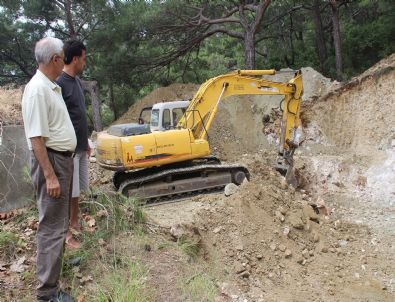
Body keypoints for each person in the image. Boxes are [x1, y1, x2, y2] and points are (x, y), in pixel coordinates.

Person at [22, 37, 76, 302]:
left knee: (58, 225)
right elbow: (36, 138)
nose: (64, 60)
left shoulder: (49, 87)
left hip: (60, 160)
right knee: (52, 227)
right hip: (52, 163)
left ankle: (52, 280)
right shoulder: (37, 90)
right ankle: (46, 294)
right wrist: (50, 175)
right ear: (56, 59)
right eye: (63, 56)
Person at [56, 39, 89, 249]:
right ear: (75, 59)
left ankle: (75, 221)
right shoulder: (59, 84)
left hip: (80, 146)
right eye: (84, 59)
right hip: (67, 150)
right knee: (68, 192)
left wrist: (86, 142)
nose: (85, 63)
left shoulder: (76, 81)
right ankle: (66, 235)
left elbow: (79, 115)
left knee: (77, 190)